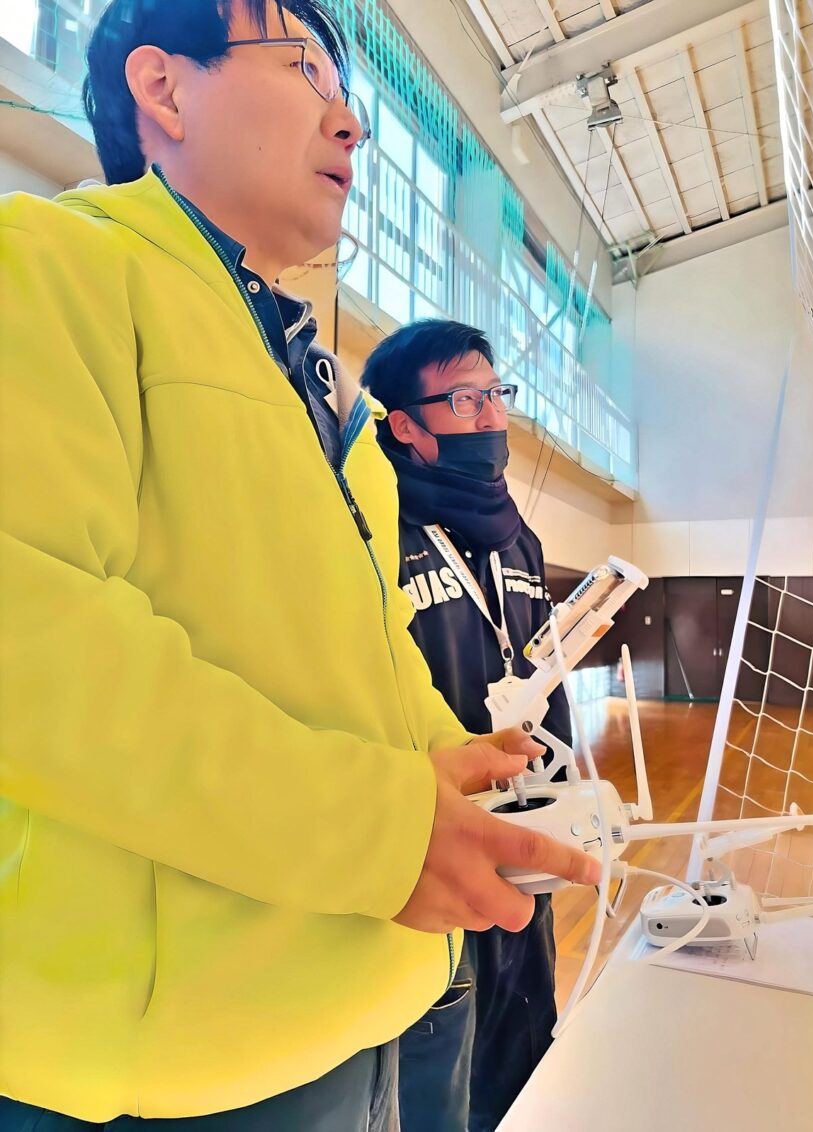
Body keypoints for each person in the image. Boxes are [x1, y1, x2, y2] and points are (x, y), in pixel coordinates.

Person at [0, 3, 601, 1128]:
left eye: (347, 89)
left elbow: (367, 645)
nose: (351, 122)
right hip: (173, 1063)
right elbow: (35, 646)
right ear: (164, 89)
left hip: (369, 993)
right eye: (305, 69)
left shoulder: (323, 388)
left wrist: (447, 754)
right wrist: (381, 831)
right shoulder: (50, 265)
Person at [361, 320, 574, 1132]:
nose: (491, 415)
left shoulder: (520, 538)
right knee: (441, 1074)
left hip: (527, 824)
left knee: (525, 1031)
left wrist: (562, 792)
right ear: (405, 426)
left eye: (495, 394)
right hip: (436, 844)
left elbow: (546, 669)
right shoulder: (377, 533)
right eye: (463, 399)